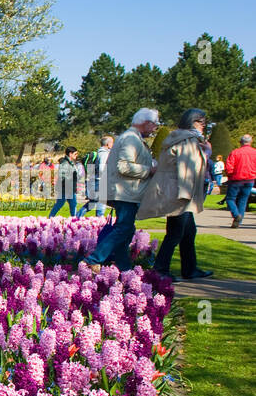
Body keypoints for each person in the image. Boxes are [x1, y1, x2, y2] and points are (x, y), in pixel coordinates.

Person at [139, 108, 213, 280]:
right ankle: (160, 269)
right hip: (180, 194)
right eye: (202, 122)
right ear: (192, 122)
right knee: (175, 233)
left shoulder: (179, 138)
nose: (204, 126)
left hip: (176, 192)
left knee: (188, 231)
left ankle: (190, 268)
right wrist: (207, 153)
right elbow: (187, 169)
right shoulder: (187, 140)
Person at [87, 108, 160, 271]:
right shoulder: (130, 139)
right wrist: (150, 170)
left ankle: (123, 264)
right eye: (155, 124)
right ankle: (94, 259)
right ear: (146, 123)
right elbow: (124, 166)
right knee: (124, 228)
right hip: (124, 192)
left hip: (128, 192)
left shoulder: (134, 138)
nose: (155, 128)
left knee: (127, 229)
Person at [222, 134, 256, 227]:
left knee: (230, 199)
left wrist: (230, 175)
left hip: (236, 179)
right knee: (243, 200)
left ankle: (236, 215)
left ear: (240, 142)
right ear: (250, 142)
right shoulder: (254, 152)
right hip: (250, 179)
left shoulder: (235, 152)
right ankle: (238, 221)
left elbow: (229, 167)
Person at [76, 136, 114, 218]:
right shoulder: (104, 153)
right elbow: (102, 168)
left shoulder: (99, 152)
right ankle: (99, 219)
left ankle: (78, 216)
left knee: (94, 202)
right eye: (112, 142)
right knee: (100, 201)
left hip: (97, 180)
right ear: (108, 144)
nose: (113, 144)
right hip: (101, 180)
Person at [48, 146, 85, 218]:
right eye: (75, 154)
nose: (76, 155)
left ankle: (74, 219)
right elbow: (62, 176)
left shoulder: (71, 163)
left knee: (73, 204)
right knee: (60, 204)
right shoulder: (65, 163)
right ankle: (50, 217)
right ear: (70, 154)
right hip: (65, 188)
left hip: (70, 188)